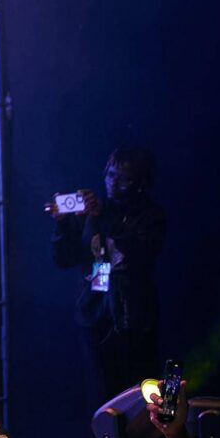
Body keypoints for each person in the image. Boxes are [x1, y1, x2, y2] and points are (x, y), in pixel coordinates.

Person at [47, 148, 167, 406]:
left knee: (139, 391)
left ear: (139, 183)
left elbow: (140, 252)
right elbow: (65, 259)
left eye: (124, 179)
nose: (114, 183)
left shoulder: (149, 215)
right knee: (102, 393)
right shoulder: (93, 212)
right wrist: (62, 225)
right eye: (111, 175)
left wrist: (103, 217)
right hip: (96, 312)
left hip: (135, 312)